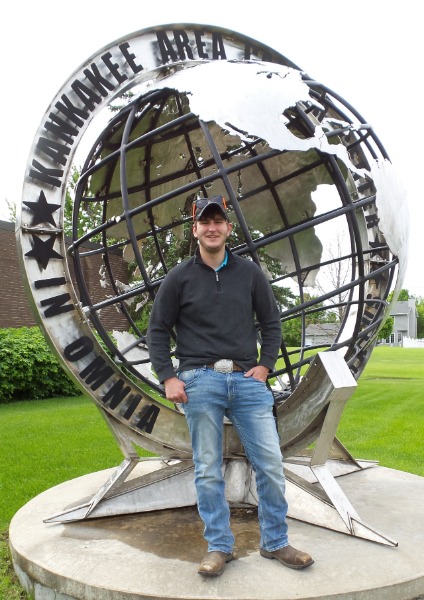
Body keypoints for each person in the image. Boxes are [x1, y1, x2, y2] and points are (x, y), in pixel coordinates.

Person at [147, 195, 314, 576]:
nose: (212, 227)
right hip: (199, 380)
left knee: (270, 464)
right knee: (208, 468)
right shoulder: (179, 277)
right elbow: (157, 329)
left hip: (246, 379)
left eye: (218, 221)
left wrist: (265, 366)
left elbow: (271, 323)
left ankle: (276, 542)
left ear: (228, 228)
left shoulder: (250, 273)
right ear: (195, 230)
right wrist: (167, 376)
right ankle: (219, 547)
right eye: (204, 222)